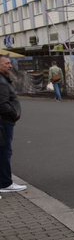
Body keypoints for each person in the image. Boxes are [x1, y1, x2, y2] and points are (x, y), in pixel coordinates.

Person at [0, 56, 27, 192]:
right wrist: (14, 114)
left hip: (5, 121)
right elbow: (2, 104)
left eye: (10, 63)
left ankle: (4, 181)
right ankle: (5, 183)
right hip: (4, 122)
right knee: (5, 151)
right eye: (7, 63)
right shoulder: (2, 82)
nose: (10, 66)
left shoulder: (3, 80)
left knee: (4, 151)